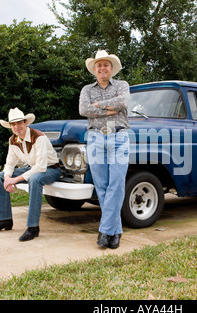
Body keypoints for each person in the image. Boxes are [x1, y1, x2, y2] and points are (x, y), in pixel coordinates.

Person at [0, 107, 61, 241]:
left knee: (35, 179)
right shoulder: (13, 140)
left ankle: (33, 228)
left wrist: (15, 180)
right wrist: (8, 178)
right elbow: (9, 164)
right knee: (0, 177)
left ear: (25, 122)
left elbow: (41, 167)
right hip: (33, 168)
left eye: (19, 123)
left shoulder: (39, 137)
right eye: (13, 124)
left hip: (50, 169)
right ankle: (4, 220)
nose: (16, 127)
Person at [79, 50, 130, 249]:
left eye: (105, 65)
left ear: (111, 68)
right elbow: (84, 110)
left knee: (116, 184)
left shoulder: (122, 85)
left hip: (119, 136)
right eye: (99, 65)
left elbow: (123, 102)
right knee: (102, 186)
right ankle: (115, 231)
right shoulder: (86, 89)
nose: (102, 68)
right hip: (96, 137)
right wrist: (110, 108)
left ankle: (104, 231)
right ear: (94, 69)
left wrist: (98, 106)